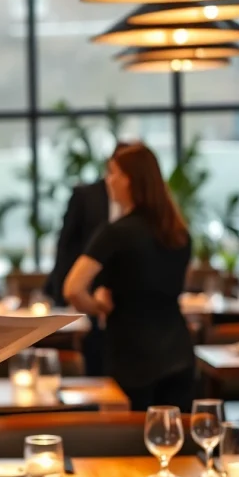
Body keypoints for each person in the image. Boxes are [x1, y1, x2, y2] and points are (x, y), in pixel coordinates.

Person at [62, 143, 194, 412]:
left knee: (131, 433)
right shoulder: (178, 232)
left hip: (132, 354)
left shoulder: (115, 233)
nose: (108, 181)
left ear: (131, 180)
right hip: (178, 351)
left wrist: (98, 306)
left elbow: (73, 288)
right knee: (175, 433)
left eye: (113, 173)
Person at [44, 142, 129, 376]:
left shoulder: (152, 218)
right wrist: (68, 298)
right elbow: (66, 247)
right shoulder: (87, 197)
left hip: (127, 305)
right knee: (95, 360)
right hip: (89, 292)